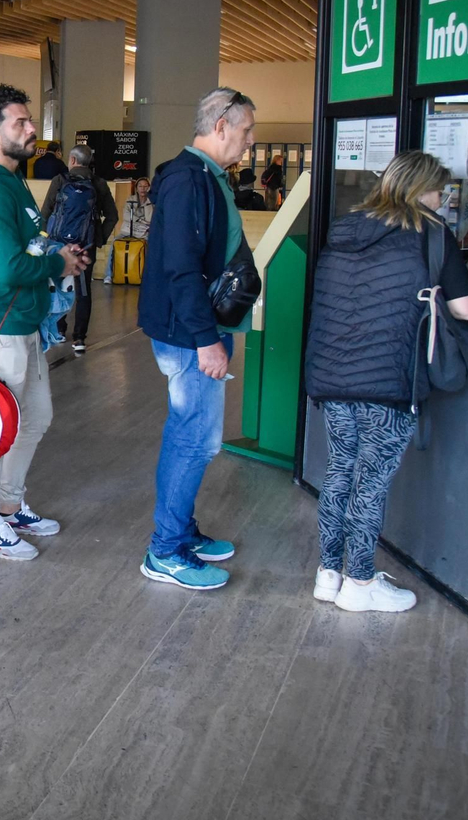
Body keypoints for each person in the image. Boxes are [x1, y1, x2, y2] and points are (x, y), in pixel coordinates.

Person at [306, 150, 468, 612]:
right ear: (422, 189)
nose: (443, 199)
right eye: (440, 190)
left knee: (340, 471)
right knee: (372, 481)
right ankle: (360, 584)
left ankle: (328, 573)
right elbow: (466, 309)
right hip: (389, 379)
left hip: (332, 375)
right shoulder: (430, 234)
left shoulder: (345, 227)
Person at [0, 85, 83, 560]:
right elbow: (8, 268)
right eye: (21, 123)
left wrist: (58, 254)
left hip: (22, 322)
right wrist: (58, 267)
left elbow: (26, 247)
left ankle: (8, 507)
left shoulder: (12, 180)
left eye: (30, 121)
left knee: (35, 418)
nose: (33, 129)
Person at [137, 87, 257, 590]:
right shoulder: (189, 179)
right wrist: (207, 339)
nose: (250, 142)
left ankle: (180, 532)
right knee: (196, 443)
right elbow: (181, 269)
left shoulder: (208, 176)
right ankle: (165, 551)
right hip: (190, 336)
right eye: (246, 130)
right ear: (221, 124)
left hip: (200, 331)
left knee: (186, 436)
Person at [40, 144, 119, 355]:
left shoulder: (60, 180)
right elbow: (113, 216)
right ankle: (80, 339)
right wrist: (98, 238)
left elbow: (45, 212)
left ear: (72, 160)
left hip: (58, 244)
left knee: (58, 285)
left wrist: (45, 240)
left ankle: (59, 330)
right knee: (83, 290)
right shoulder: (99, 183)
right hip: (85, 244)